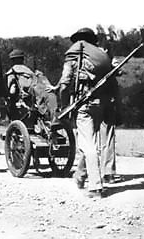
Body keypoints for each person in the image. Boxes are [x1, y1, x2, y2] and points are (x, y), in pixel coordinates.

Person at [55, 28, 113, 198]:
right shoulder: (100, 56)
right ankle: (80, 176)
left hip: (84, 104)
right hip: (101, 104)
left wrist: (64, 104)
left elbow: (65, 83)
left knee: (88, 145)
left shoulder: (74, 55)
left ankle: (95, 187)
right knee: (88, 141)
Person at [6, 49, 38, 120]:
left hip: (19, 103)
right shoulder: (30, 71)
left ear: (12, 60)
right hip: (32, 101)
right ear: (22, 59)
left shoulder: (12, 72)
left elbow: (11, 91)